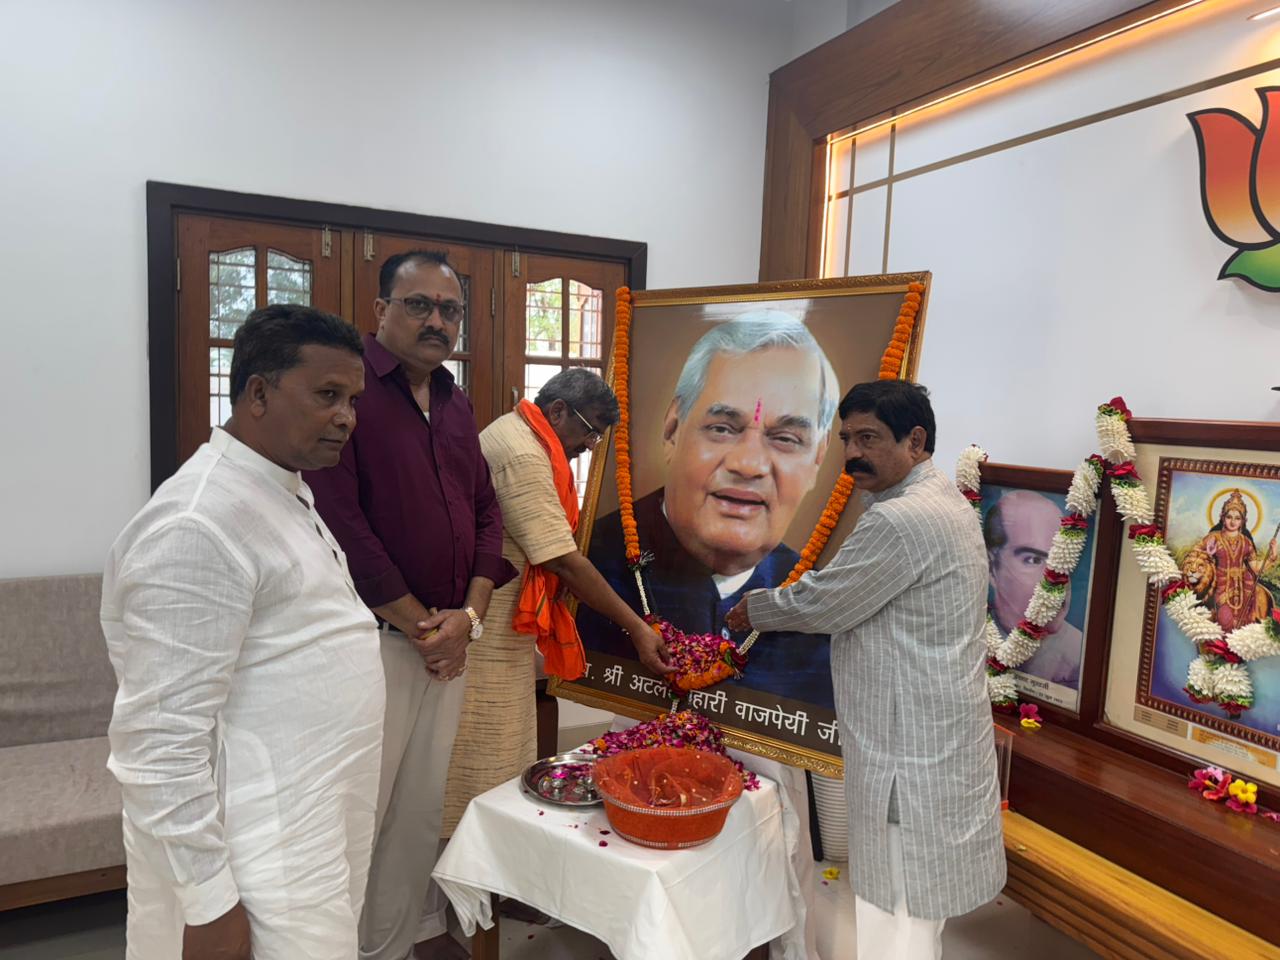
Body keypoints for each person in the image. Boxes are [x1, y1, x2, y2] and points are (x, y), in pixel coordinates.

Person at [102, 305, 382, 960]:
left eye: (352, 400)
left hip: (309, 827)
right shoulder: (198, 522)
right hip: (257, 854)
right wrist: (208, 905)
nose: (347, 417)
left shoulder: (280, 487)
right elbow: (157, 741)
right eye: (327, 395)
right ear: (258, 393)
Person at [726, 380, 1005, 960]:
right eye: (847, 439)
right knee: (918, 906)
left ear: (916, 440)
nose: (853, 453)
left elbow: (827, 602)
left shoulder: (902, 519)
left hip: (910, 747)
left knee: (896, 910)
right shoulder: (941, 499)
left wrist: (757, 608)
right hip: (935, 730)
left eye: (869, 438)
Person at [305, 250, 516, 960]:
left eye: (449, 310)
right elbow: (343, 527)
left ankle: (388, 948)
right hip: (374, 647)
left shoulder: (456, 402)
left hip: (446, 648)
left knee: (418, 813)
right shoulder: (349, 392)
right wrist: (424, 626)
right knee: (357, 818)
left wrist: (469, 619)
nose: (436, 321)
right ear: (381, 310)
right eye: (418, 304)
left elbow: (487, 513)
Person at [442, 368, 672, 832]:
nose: (589, 446)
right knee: (487, 756)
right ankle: (472, 862)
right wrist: (637, 627)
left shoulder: (524, 435)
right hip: (487, 630)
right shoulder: (522, 453)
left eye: (597, 438)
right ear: (557, 410)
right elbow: (562, 560)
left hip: (502, 624)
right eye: (589, 432)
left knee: (505, 748)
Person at [580, 311, 839, 706]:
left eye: (786, 438)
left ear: (817, 459)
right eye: (722, 428)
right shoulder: (594, 563)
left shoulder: (820, 600)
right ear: (672, 429)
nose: (748, 465)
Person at [984, 490, 1084, 687]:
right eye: (1033, 560)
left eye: (1062, 560)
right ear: (991, 567)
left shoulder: (1079, 656)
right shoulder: (968, 635)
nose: (1056, 579)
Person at [1192, 489, 1277, 631]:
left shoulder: (1246, 542)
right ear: (1223, 517)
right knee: (1225, 619)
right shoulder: (1213, 537)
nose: (1232, 521)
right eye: (1229, 517)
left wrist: (1272, 556)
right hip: (1221, 583)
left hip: (1244, 585)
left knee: (1249, 621)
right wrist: (1208, 556)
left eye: (1237, 518)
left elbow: (1256, 567)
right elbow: (1196, 555)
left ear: (1243, 521)